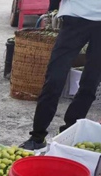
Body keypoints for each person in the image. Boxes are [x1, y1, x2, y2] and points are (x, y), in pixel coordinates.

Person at [20, 0, 101, 150]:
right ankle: (37, 136)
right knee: (54, 79)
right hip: (75, 17)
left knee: (90, 83)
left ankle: (69, 131)